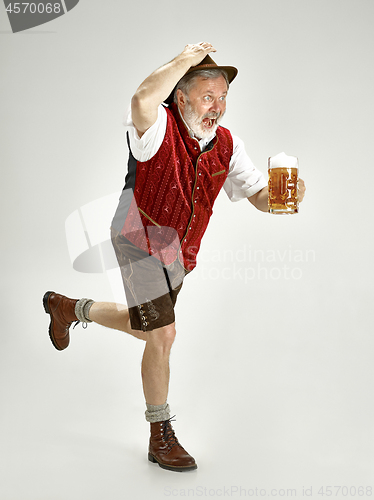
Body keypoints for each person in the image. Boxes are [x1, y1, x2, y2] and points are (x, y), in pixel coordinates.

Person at [43, 42, 306, 473]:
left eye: (223, 98)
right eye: (207, 97)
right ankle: (159, 433)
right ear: (181, 96)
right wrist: (185, 59)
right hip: (138, 238)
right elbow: (142, 98)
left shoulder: (227, 144)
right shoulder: (155, 126)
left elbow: (258, 194)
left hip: (180, 253)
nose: (217, 107)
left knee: (145, 328)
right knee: (163, 336)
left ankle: (68, 308)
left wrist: (280, 200)